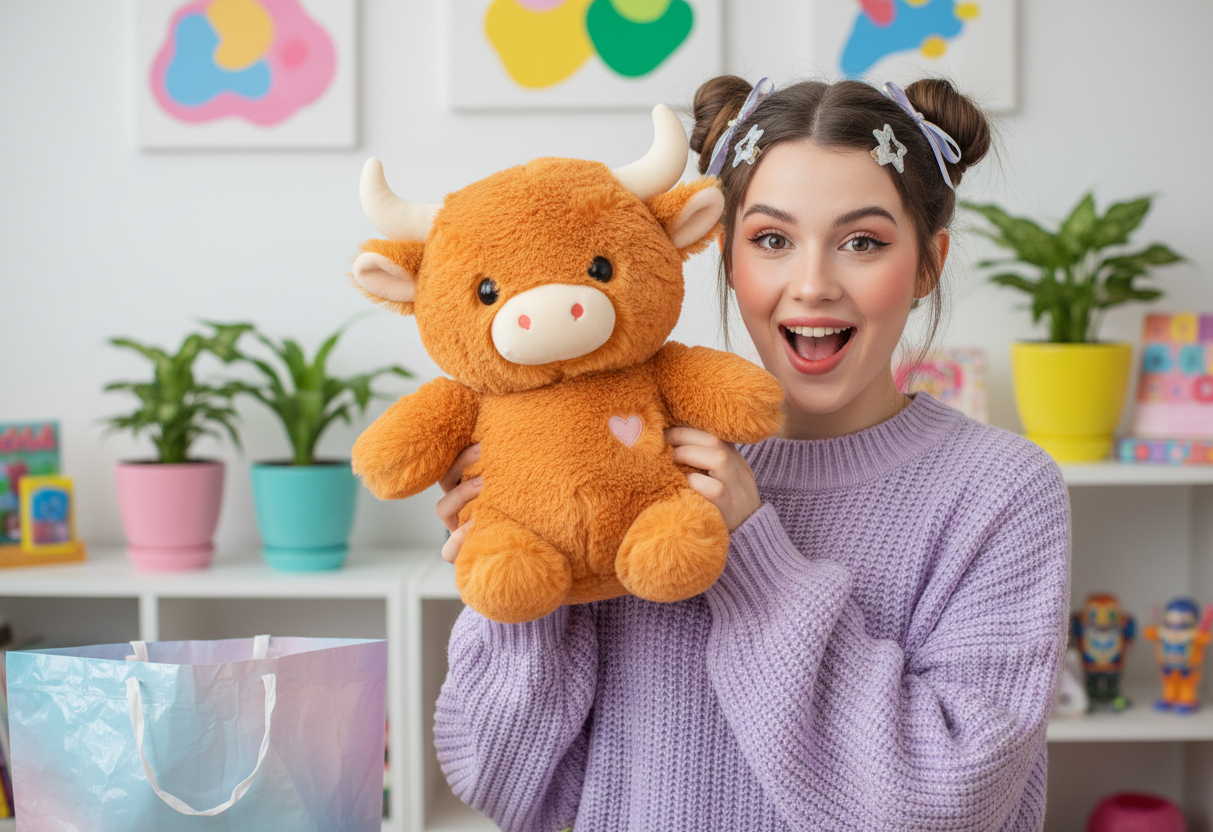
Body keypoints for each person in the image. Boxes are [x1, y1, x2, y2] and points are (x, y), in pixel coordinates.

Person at [430, 75, 1071, 831]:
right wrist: (529, 582)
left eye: (862, 242)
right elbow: (502, 783)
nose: (812, 285)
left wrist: (753, 560)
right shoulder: (632, 464)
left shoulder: (1004, 492)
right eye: (772, 240)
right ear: (726, 254)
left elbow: (945, 803)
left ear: (928, 263)